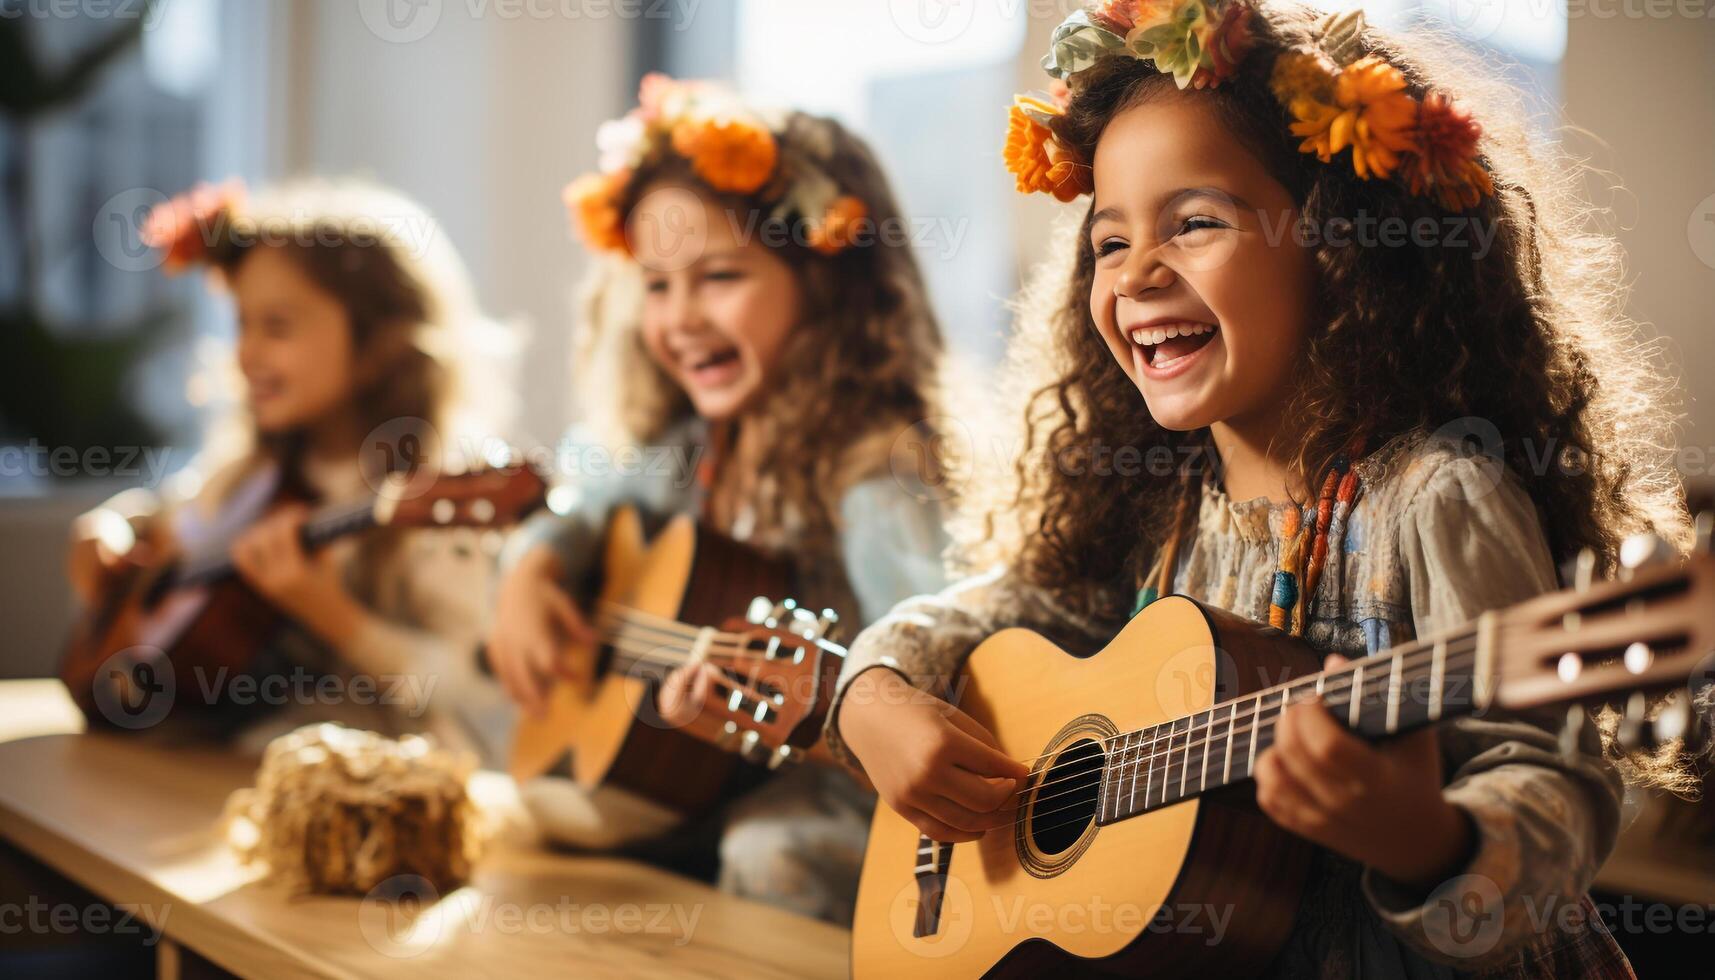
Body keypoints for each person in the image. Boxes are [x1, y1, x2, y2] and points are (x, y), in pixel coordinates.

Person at [830, 4, 1693, 975]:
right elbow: (983, 612)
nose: (1138, 273)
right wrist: (874, 690)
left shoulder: (1433, 496)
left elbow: (1550, 785)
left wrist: (1429, 840)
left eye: (1194, 222)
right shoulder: (1149, 497)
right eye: (1108, 243)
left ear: (1342, 247)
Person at [486, 74, 953, 925]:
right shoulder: (682, 444)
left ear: (822, 278)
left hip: (848, 799)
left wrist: (822, 722)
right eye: (657, 287)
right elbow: (582, 510)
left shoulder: (875, 476)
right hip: (691, 792)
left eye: (719, 277)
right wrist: (531, 566)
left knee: (769, 852)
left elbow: (948, 691)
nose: (680, 318)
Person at [66, 178, 517, 764]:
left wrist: (335, 616)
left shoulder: (437, 497)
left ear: (380, 342)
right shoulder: (256, 470)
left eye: (276, 326)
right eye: (241, 325)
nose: (246, 354)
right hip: (212, 765)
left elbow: (475, 696)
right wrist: (113, 526)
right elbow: (172, 518)